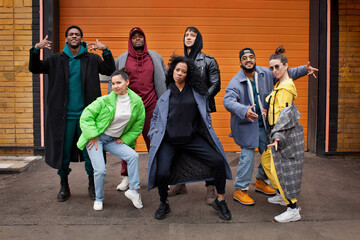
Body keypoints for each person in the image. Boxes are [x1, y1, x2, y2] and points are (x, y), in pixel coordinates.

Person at [29, 25, 116, 202]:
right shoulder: (55, 60)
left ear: (81, 39)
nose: (74, 37)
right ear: (67, 39)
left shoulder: (91, 59)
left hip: (87, 118)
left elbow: (109, 69)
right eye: (71, 35)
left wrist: (105, 50)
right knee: (64, 153)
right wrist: (35, 49)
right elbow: (35, 68)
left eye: (77, 34)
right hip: (63, 117)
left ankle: (92, 185)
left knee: (90, 152)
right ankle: (64, 185)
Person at [223, 47, 318, 206]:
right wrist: (244, 110)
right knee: (247, 157)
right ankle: (240, 190)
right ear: (240, 62)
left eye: (251, 57)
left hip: (265, 125)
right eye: (244, 58)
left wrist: (304, 69)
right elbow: (228, 101)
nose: (248, 60)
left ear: (255, 59)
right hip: (248, 126)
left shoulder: (264, 73)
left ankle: (261, 180)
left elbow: (285, 72)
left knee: (268, 154)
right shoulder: (235, 81)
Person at [147, 55, 232, 221]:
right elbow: (155, 117)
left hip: (192, 140)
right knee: (162, 173)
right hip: (169, 142)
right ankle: (164, 203)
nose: (179, 73)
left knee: (218, 161)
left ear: (188, 74)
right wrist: (153, 134)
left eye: (183, 71)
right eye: (177, 70)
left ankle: (220, 201)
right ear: (172, 71)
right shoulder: (165, 96)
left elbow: (205, 116)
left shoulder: (197, 94)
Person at [77, 68, 145, 211]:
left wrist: (125, 139)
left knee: (133, 156)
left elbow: (138, 124)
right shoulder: (105, 100)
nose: (115, 86)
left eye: (119, 82)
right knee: (100, 170)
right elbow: (86, 116)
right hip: (96, 139)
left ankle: (133, 191)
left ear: (127, 82)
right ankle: (99, 198)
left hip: (113, 140)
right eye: (113, 83)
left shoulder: (137, 102)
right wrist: (92, 135)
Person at [108, 27, 167, 191]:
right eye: (134, 37)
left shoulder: (155, 57)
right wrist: (112, 107)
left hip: (151, 106)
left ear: (145, 39)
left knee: (154, 142)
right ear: (130, 40)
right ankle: (126, 177)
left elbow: (166, 77)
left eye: (140, 36)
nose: (138, 39)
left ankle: (158, 176)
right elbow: (112, 81)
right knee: (126, 143)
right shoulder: (122, 60)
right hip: (129, 108)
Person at [167, 27, 221, 205]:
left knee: (209, 147)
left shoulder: (208, 61)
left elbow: (216, 84)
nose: (188, 37)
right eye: (186, 35)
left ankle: (211, 187)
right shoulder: (180, 62)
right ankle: (180, 183)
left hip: (201, 113)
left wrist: (202, 100)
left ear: (199, 39)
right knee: (179, 146)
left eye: (193, 35)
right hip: (181, 112)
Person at [260, 46, 305, 223]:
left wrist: (278, 136)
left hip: (283, 135)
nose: (274, 70)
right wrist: (268, 113)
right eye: (271, 68)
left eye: (277, 66)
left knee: (283, 171)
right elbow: (278, 109)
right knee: (266, 162)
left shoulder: (285, 87)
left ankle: (292, 208)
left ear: (286, 66)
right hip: (275, 133)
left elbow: (286, 115)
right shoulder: (279, 85)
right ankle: (281, 194)